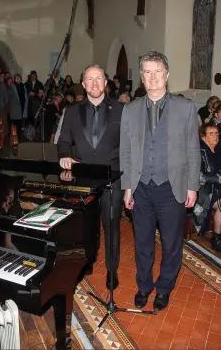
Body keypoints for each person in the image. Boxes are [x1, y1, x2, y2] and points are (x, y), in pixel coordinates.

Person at [120, 50, 200, 311]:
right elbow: (126, 151)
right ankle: (144, 286)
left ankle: (164, 287)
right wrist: (128, 188)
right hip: (141, 187)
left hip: (172, 187)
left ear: (166, 74)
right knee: (142, 242)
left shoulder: (186, 107)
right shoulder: (130, 110)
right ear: (141, 77)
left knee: (171, 243)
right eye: (147, 72)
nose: (153, 77)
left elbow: (192, 149)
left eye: (158, 71)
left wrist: (192, 186)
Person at [57, 64, 124, 290]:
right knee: (86, 225)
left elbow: (129, 145)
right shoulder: (72, 111)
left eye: (99, 79)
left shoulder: (121, 110)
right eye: (89, 79)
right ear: (83, 84)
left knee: (112, 226)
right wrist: (64, 157)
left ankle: (112, 269)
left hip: (112, 178)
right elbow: (64, 143)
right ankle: (87, 262)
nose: (94, 83)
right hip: (83, 179)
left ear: (106, 83)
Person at [192, 124, 221, 253]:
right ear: (203, 136)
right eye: (211, 133)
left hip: (219, 188)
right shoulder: (198, 151)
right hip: (202, 190)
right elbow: (199, 177)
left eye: (216, 133)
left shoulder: (220, 150)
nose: (215, 136)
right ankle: (217, 238)